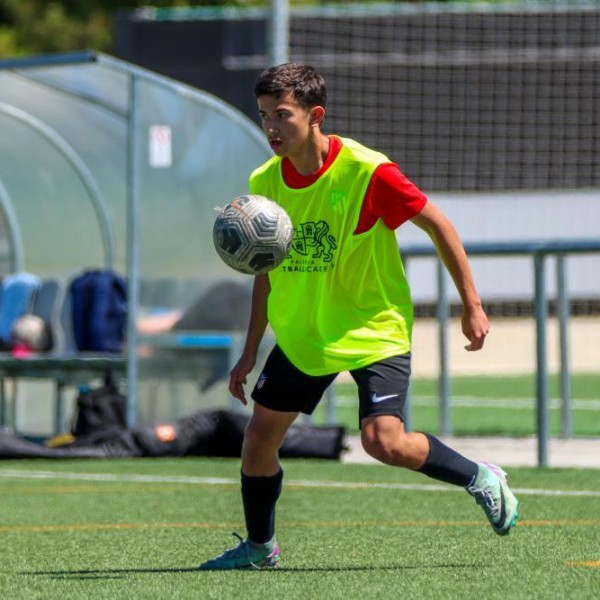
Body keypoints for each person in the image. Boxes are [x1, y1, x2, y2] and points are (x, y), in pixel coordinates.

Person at [199, 63, 519, 570]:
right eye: (264, 116)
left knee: (382, 441)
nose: (271, 128)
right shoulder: (264, 180)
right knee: (257, 441)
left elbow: (438, 224)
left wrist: (472, 305)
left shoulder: (368, 172)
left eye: (282, 115)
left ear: (315, 115)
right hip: (306, 334)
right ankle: (260, 548)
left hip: (373, 327)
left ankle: (481, 477)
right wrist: (249, 351)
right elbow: (265, 270)